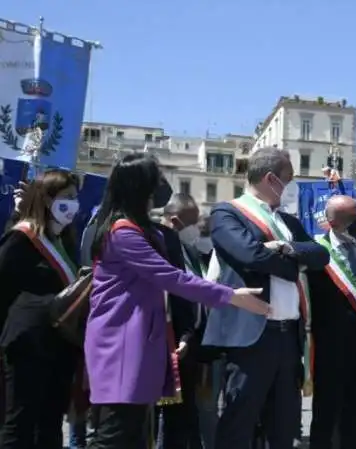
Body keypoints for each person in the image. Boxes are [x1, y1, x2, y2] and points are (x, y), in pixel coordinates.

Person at [85, 154, 269, 449]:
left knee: (131, 434)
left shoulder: (136, 229)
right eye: (156, 180)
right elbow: (172, 278)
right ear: (140, 188)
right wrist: (230, 296)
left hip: (136, 342)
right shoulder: (123, 233)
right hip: (121, 344)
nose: (161, 187)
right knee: (115, 435)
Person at [202, 148, 329, 449]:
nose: (292, 185)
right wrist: (292, 264)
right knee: (239, 424)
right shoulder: (227, 213)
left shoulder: (287, 222)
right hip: (251, 338)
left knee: (283, 427)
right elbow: (251, 254)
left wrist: (284, 247)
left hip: (287, 338)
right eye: (289, 178)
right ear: (271, 179)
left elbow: (321, 255)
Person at [0, 169, 82, 448]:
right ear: (46, 200)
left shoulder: (67, 242)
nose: (73, 204)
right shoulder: (22, 238)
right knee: (20, 423)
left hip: (60, 345)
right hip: (27, 343)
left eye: (75, 197)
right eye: (66, 197)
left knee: (49, 425)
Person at [308, 195, 356, 449]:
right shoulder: (316, 251)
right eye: (352, 217)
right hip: (330, 348)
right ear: (333, 222)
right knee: (326, 413)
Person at [156, 193, 209, 449]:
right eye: (192, 224)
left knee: (188, 415)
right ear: (175, 221)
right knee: (169, 419)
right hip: (169, 345)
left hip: (192, 342)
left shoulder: (189, 250)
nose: (196, 230)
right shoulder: (160, 249)